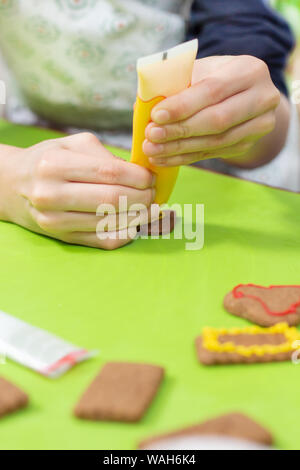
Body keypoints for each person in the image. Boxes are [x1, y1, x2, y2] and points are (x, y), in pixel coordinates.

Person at [0, 0, 295, 250]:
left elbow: (267, 124)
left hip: (206, 169)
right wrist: (10, 178)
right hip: (29, 139)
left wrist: (238, 119)